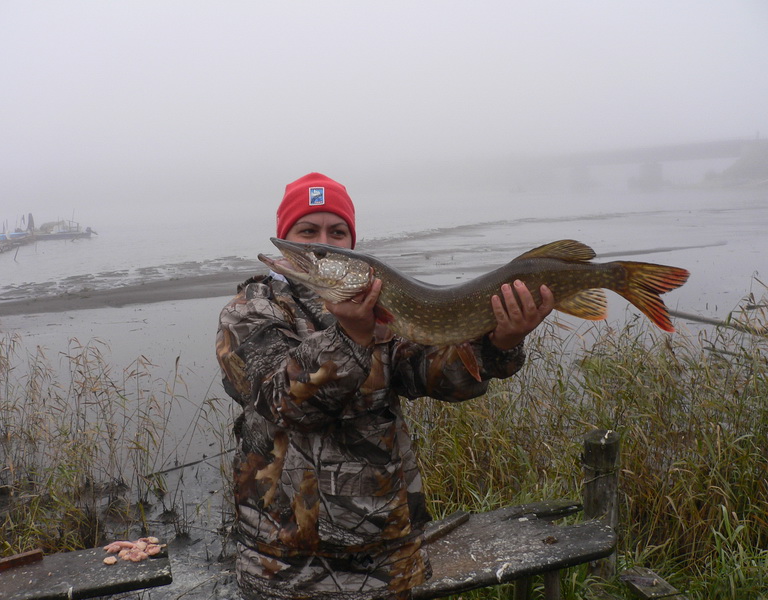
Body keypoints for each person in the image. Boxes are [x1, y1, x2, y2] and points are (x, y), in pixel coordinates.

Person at [216, 173, 554, 600]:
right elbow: (281, 403)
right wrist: (352, 337)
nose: (327, 242)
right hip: (284, 568)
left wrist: (498, 343)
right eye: (308, 233)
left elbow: (435, 375)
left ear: (354, 249)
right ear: (287, 234)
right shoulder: (251, 312)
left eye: (337, 234)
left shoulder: (381, 308)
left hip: (389, 560)